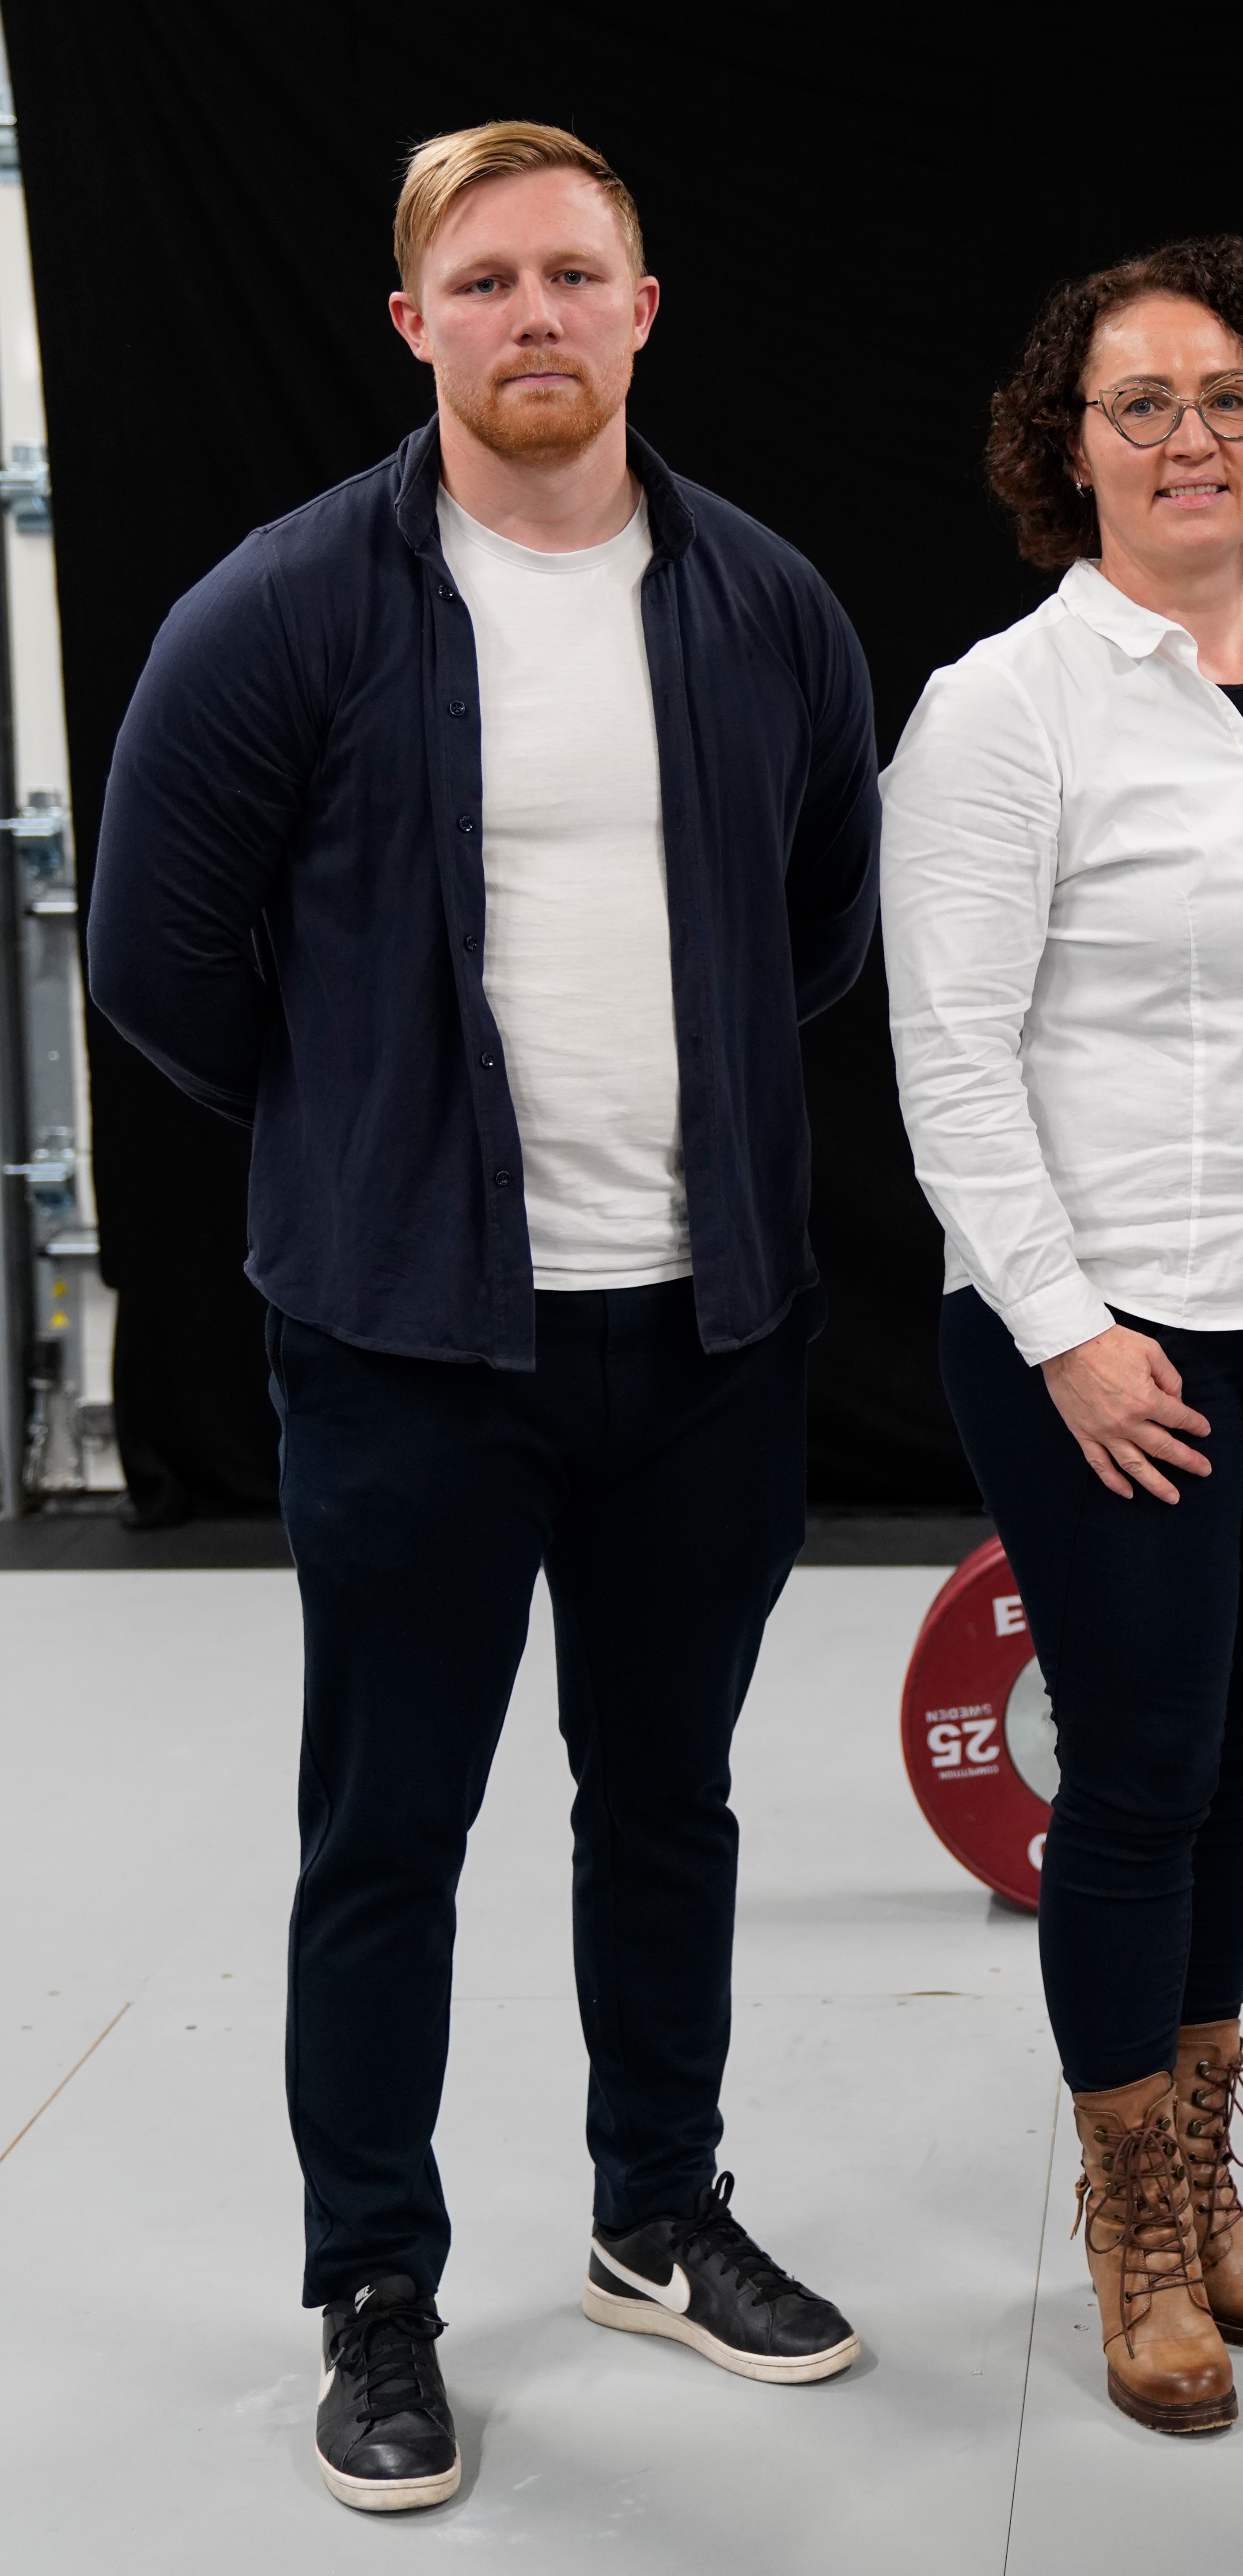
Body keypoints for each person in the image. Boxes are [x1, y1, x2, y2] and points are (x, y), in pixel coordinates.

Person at [87, 122, 880, 2513]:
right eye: (487, 279)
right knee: (388, 1830)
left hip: (703, 1337)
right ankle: (376, 2289)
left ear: (642, 310)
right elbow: (154, 953)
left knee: (670, 1798)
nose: (534, 313)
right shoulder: (283, 610)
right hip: (410, 1352)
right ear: (412, 322)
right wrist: (369, 1137)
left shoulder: (765, 606)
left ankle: (655, 2214)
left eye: (573, 273)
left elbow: (819, 925)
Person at [881, 235, 1243, 2436]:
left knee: (1242, 1748)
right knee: (1135, 1772)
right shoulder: (1002, 709)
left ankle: (1205, 2184)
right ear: (1072, 448)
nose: (1191, 438)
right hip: (1110, 1339)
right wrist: (1067, 1333)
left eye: (1227, 397)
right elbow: (951, 1061)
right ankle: (1134, 2226)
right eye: (1140, 404)